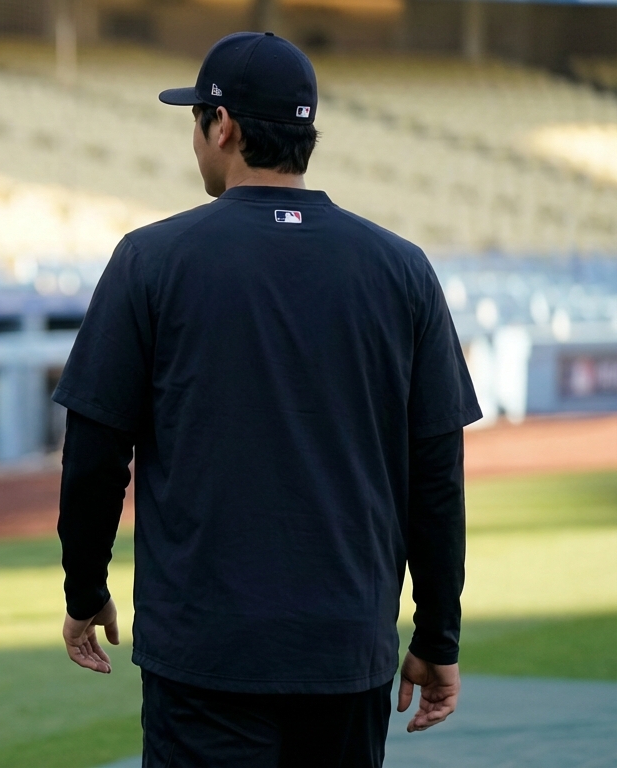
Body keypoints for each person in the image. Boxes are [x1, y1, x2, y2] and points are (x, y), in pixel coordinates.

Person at [53, 32, 481, 767]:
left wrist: (84, 586)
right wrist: (437, 635)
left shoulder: (149, 260)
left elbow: (94, 454)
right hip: (346, 648)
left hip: (205, 651)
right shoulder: (403, 269)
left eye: (196, 120)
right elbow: (436, 476)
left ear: (224, 126)